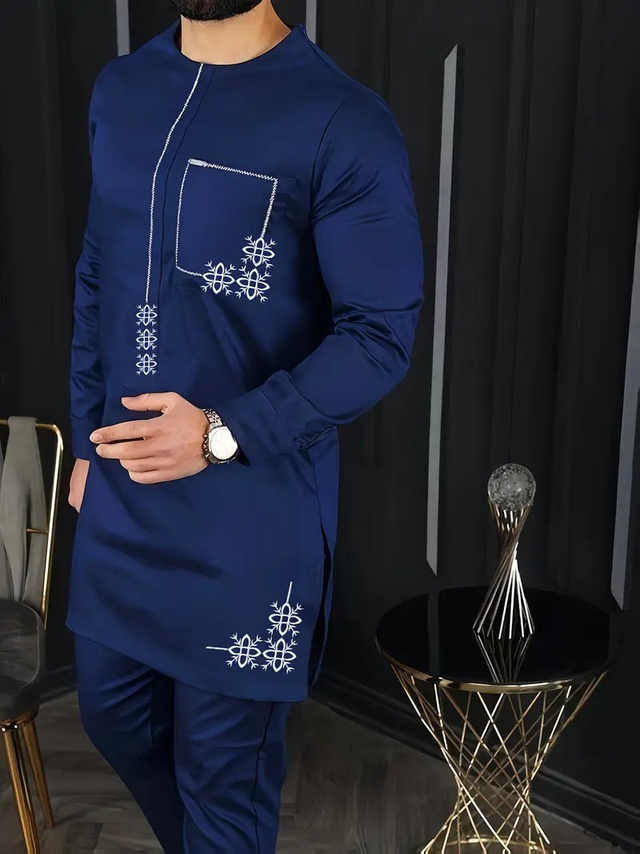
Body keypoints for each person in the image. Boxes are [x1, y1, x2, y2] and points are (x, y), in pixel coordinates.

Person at [67, 1, 424, 851]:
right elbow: (97, 276)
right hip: (124, 501)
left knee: (222, 786)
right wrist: (85, 444)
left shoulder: (342, 120)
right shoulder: (121, 90)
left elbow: (380, 334)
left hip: (250, 524)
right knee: (114, 720)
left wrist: (219, 433)